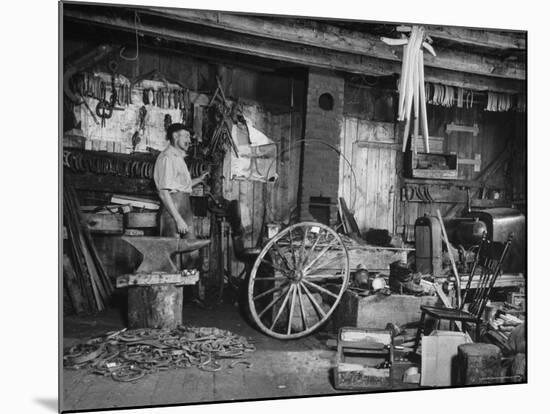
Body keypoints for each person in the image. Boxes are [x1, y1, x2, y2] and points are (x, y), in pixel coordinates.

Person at [154, 123, 209, 240]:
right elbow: (164, 193)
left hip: (185, 208)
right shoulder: (167, 158)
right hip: (172, 211)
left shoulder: (178, 157)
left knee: (190, 251)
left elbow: (181, 186)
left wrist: (199, 179)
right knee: (172, 251)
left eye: (189, 137)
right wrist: (178, 219)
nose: (189, 140)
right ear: (175, 136)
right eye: (186, 136)